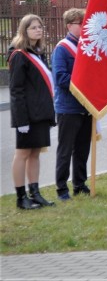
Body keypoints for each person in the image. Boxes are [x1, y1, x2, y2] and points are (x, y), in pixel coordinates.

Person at [8, 14, 57, 209]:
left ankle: (35, 193)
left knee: (36, 153)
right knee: (22, 153)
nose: (38, 30)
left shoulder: (38, 53)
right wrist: (21, 121)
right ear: (24, 30)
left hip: (41, 112)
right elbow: (16, 89)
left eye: (39, 27)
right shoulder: (19, 55)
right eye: (33, 27)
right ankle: (21, 197)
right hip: (27, 115)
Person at [52, 8, 92, 200]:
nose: (84, 26)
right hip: (69, 107)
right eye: (80, 23)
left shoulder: (87, 46)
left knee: (83, 149)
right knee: (65, 150)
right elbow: (60, 77)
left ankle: (79, 184)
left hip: (86, 106)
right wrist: (83, 83)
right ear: (69, 26)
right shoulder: (62, 48)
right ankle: (62, 188)